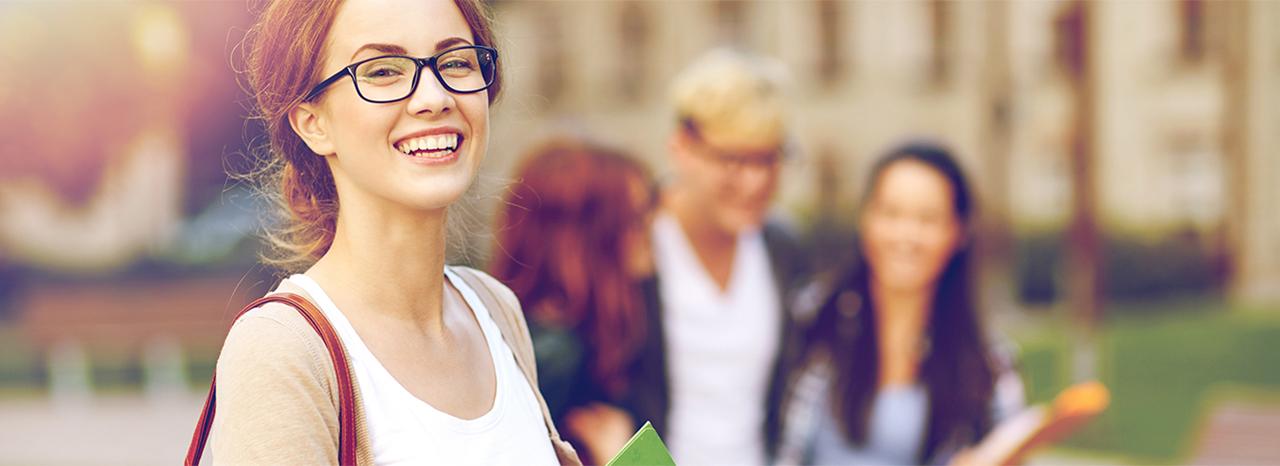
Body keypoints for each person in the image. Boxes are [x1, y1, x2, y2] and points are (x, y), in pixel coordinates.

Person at [206, 1, 580, 464]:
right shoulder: (282, 351)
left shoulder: (495, 310)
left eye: (457, 61)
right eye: (383, 71)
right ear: (313, 124)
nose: (435, 97)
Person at [770, 142, 1024, 465]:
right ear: (866, 219)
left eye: (928, 219)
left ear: (958, 232)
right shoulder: (811, 322)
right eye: (891, 213)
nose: (906, 235)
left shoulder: (988, 368)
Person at [639, 48, 810, 466]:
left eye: (769, 159)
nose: (755, 182)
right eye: (733, 160)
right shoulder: (635, 245)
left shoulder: (781, 248)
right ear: (682, 148)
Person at [490, 137, 659, 464]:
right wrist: (627, 458)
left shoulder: (596, 331)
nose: (652, 228)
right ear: (588, 236)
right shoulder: (551, 356)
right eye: (637, 218)